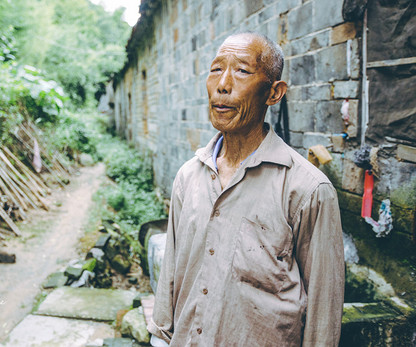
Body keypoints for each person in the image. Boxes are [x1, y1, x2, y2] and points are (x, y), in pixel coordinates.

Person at [147, 32, 345, 346]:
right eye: (215, 69)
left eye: (241, 71)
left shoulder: (308, 188)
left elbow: (324, 304)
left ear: (274, 93)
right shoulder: (189, 176)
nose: (223, 84)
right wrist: (160, 336)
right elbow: (171, 269)